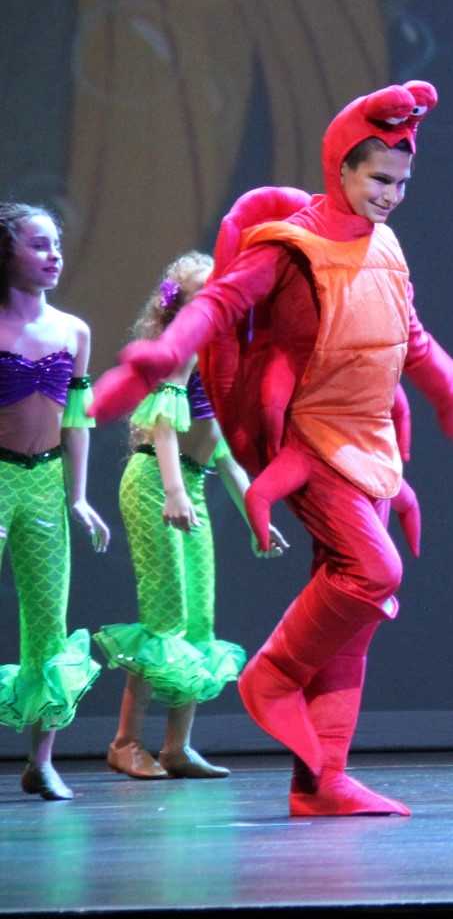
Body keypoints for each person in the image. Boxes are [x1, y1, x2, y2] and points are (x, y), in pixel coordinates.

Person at [92, 82, 453, 816]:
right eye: (379, 179)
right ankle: (271, 677)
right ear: (342, 168)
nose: (391, 196)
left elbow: (407, 335)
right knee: (375, 569)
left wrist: (450, 388)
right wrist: (166, 354)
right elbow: (220, 301)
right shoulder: (291, 246)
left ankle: (320, 783)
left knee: (354, 629)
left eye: (402, 183)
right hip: (313, 445)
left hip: (373, 445)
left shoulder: (386, 245)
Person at [95, 252, 289, 781]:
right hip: (157, 484)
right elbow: (162, 423)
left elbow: (224, 454)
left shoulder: (227, 354)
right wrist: (174, 492)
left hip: (193, 485)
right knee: (166, 616)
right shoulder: (183, 349)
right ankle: (124, 742)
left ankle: (177, 747)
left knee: (199, 617)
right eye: (205, 290)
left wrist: (256, 514)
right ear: (179, 305)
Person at [0, 202, 110, 800]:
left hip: (44, 483)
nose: (53, 256)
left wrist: (79, 495)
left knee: (48, 623)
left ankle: (41, 762)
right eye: (38, 245)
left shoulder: (74, 331)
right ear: (6, 252)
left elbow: (77, 419)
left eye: (56, 244)